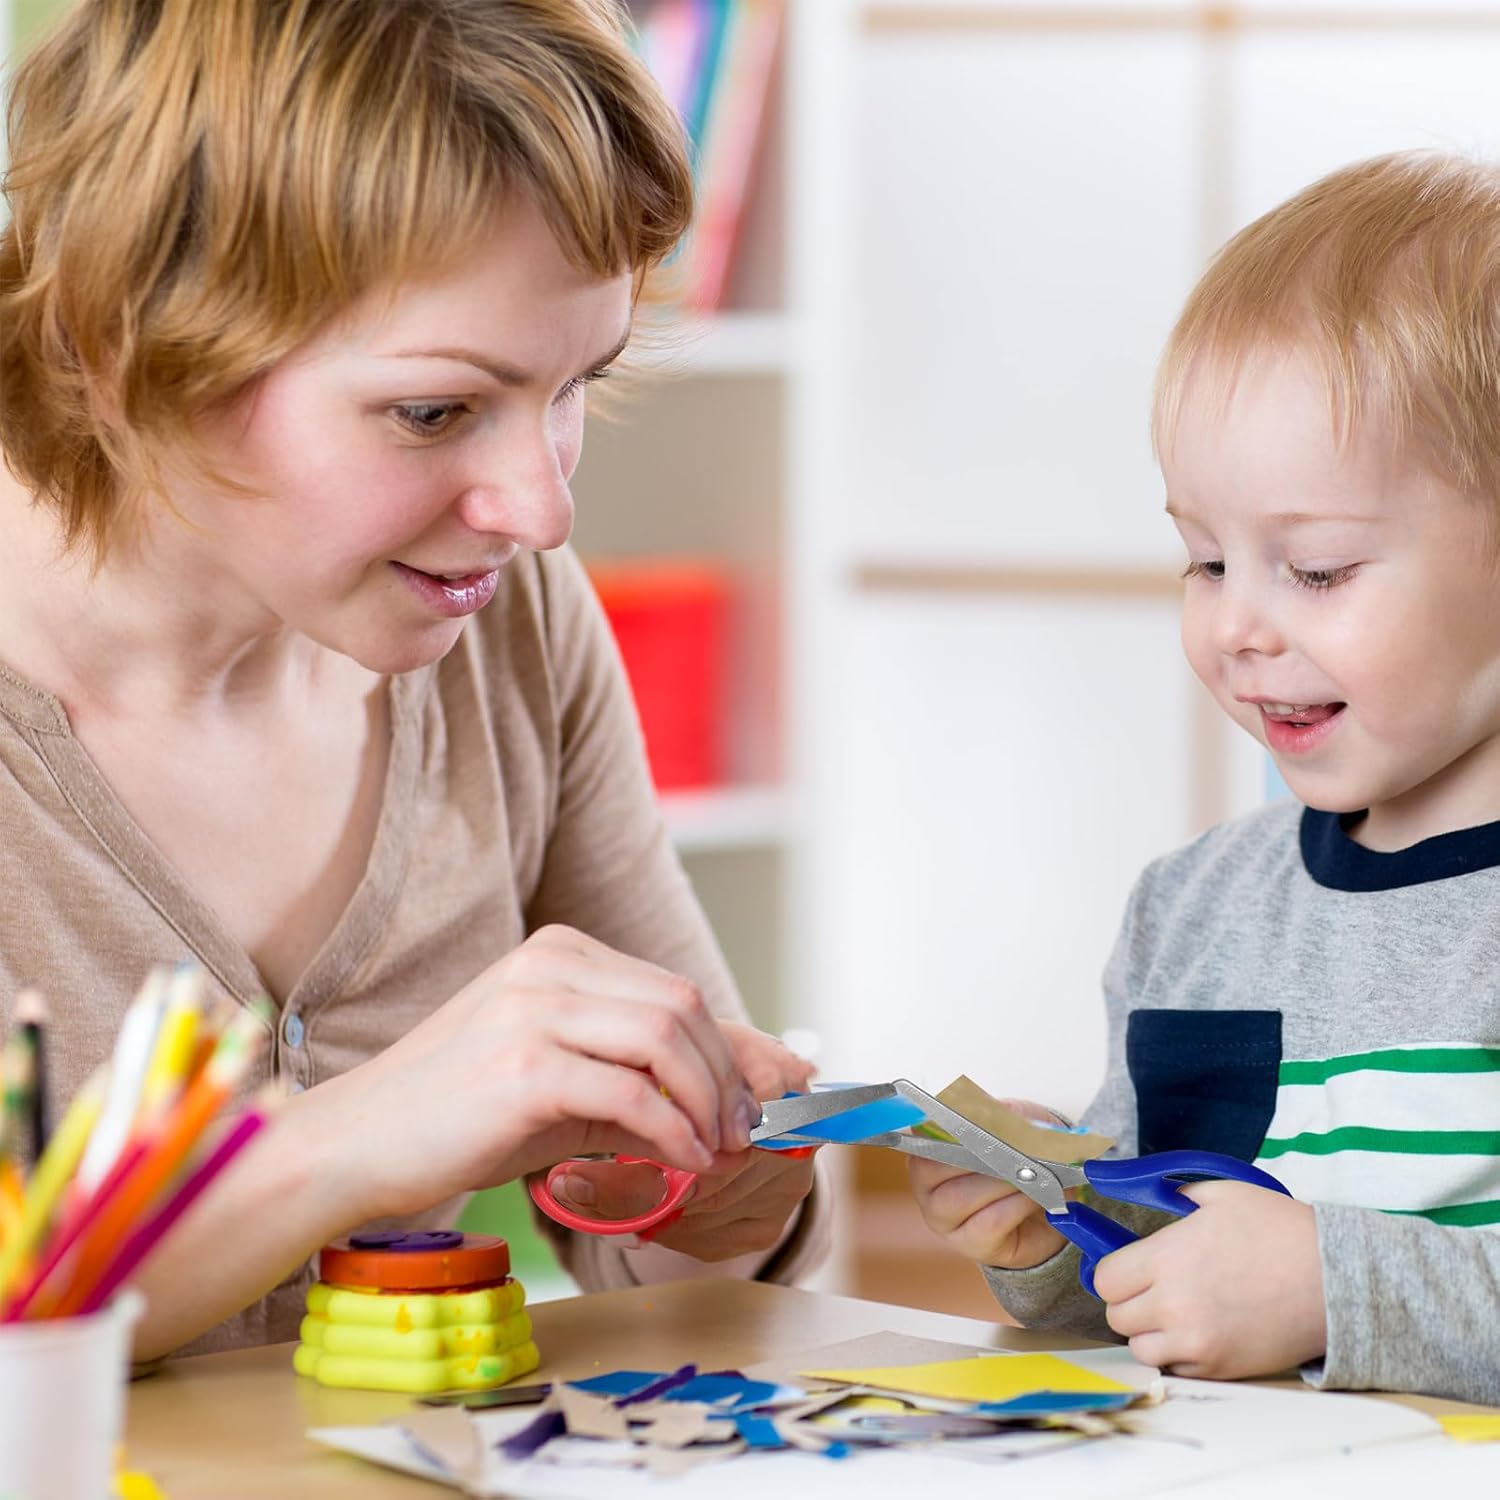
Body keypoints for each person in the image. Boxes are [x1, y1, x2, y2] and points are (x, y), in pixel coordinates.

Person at [0, 0, 825, 1362]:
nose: (541, 511)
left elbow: (683, 1263)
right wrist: (348, 1142)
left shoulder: (509, 628)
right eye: (434, 411)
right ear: (119, 346)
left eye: (576, 383)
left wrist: (712, 1188)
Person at [909, 149, 1500, 1403]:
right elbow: (1176, 1283)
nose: (1238, 626)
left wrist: (1332, 1291)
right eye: (1204, 560)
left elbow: (1296, 1294)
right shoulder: (1191, 911)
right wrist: (1049, 1234)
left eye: (1319, 568)